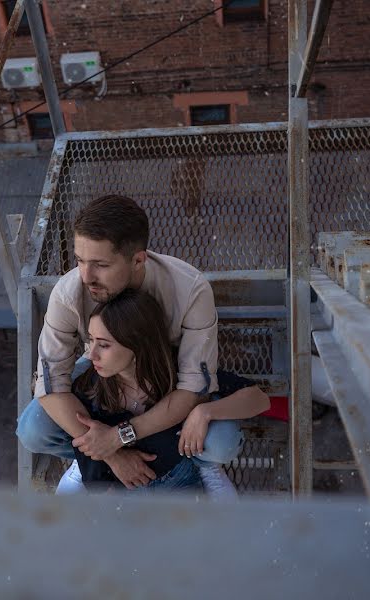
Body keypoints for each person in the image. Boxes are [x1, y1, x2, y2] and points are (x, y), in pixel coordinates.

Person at [16, 194, 259, 492]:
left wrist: (118, 436)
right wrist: (111, 454)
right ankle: (88, 459)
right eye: (80, 260)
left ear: (138, 260)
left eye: (100, 264)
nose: (85, 276)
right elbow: (51, 384)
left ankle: (184, 461)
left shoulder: (190, 289)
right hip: (103, 366)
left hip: (167, 374)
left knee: (220, 444)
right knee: (33, 430)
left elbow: (193, 386)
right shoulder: (69, 293)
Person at [66, 289, 269, 494]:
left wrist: (204, 412)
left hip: (178, 478)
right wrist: (112, 459)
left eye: (103, 345)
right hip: (122, 486)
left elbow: (259, 399)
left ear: (137, 344)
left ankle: (207, 466)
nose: (91, 355)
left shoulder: (179, 375)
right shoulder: (88, 386)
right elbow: (98, 485)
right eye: (90, 340)